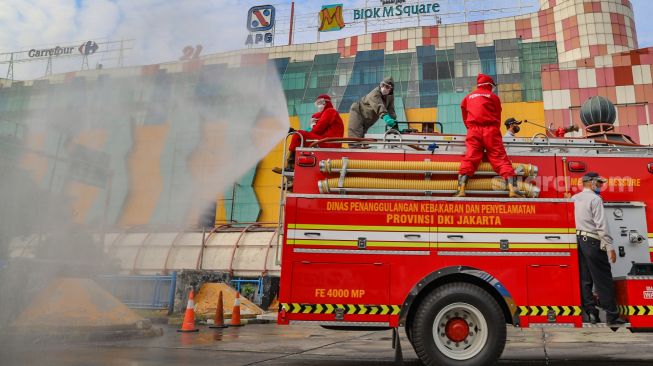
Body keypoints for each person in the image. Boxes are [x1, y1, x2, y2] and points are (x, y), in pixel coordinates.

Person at [454, 74, 522, 198]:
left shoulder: (467, 97)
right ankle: (513, 189)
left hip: (473, 131)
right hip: (491, 131)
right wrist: (494, 129)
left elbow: (465, 116)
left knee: (470, 158)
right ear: (489, 85)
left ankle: (461, 189)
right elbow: (497, 115)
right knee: (500, 159)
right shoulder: (493, 97)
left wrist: (471, 128)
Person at [572, 172, 627, 325]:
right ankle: (612, 315)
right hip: (593, 241)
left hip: (579, 241)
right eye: (599, 183)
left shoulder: (574, 199)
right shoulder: (595, 200)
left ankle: (591, 313)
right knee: (603, 279)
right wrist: (609, 246)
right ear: (591, 183)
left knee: (585, 280)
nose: (601, 186)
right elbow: (601, 225)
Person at [273, 94, 344, 174]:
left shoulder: (330, 111)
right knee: (299, 136)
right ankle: (292, 168)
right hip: (326, 141)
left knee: (298, 135)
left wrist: (297, 132)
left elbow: (318, 129)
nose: (319, 105)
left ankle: (290, 165)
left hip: (330, 143)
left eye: (321, 102)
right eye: (317, 103)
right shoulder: (328, 113)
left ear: (327, 102)